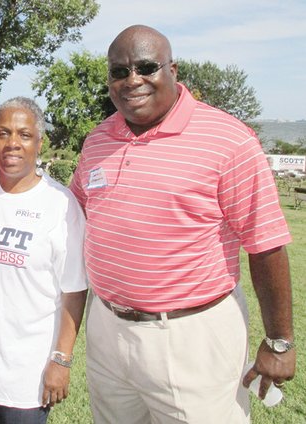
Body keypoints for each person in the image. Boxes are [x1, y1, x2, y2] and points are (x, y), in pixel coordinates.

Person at [70, 25, 295, 423]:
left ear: (173, 70)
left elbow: (266, 244)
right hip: (106, 328)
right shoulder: (98, 140)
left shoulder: (228, 140)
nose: (132, 80)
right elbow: (75, 215)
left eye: (146, 67)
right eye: (119, 71)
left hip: (191, 334)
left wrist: (279, 341)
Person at [0, 97, 88, 424]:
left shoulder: (59, 204)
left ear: (39, 143)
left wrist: (62, 360)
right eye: (4, 133)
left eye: (24, 135)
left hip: (28, 368)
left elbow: (74, 290)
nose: (13, 143)